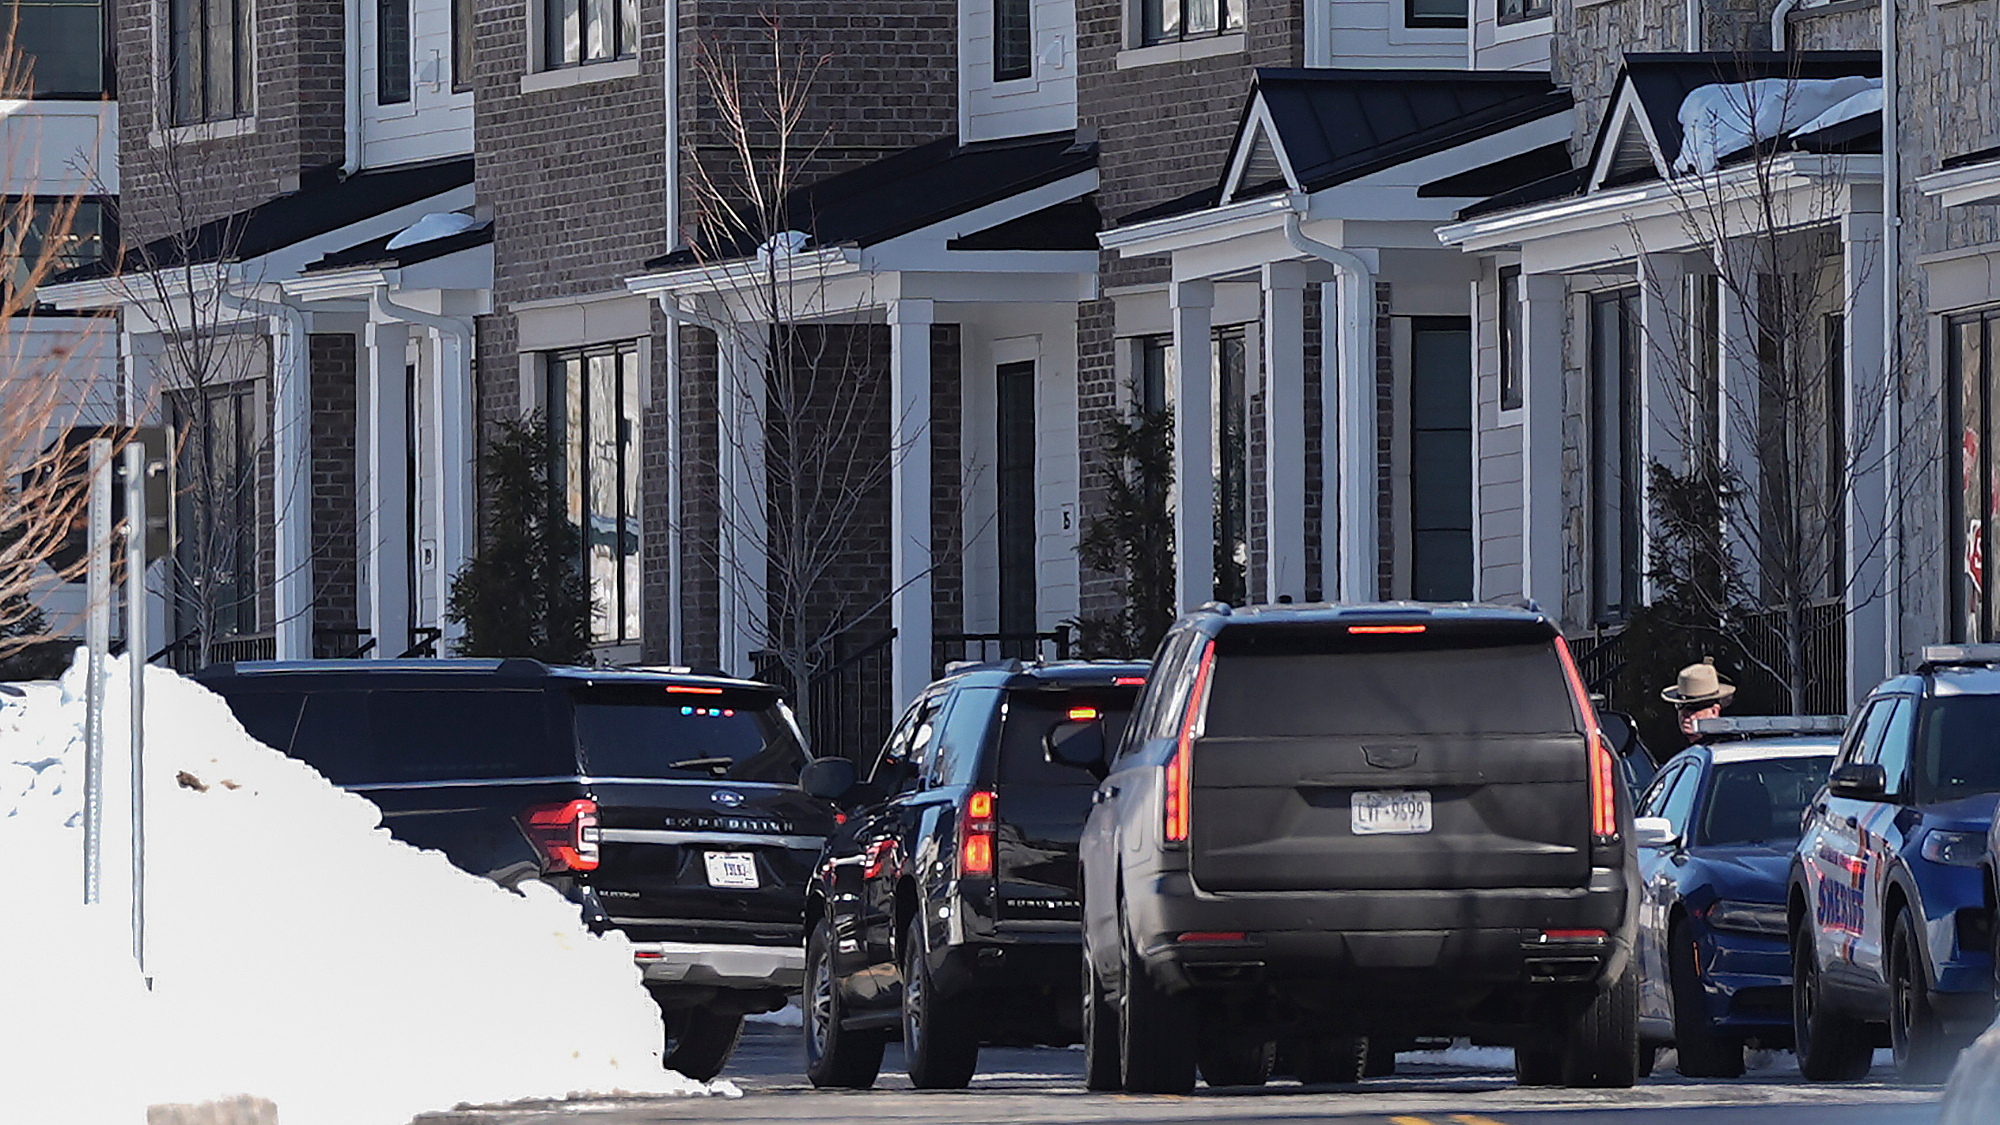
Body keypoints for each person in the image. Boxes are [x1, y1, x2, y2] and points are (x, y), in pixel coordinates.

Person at [1662, 659, 1735, 746]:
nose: (1684, 713)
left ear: (1714, 711)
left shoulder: (1722, 750)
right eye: (1680, 706)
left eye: (1693, 708)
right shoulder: (1678, 748)